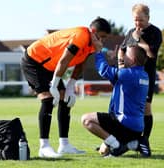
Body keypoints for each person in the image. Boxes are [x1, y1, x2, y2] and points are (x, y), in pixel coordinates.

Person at [21, 17, 111, 158]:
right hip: (34, 60)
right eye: (102, 37)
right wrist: (55, 86)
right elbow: (65, 60)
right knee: (48, 99)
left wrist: (70, 87)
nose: (103, 41)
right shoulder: (81, 35)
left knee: (65, 98)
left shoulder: (93, 44)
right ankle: (44, 147)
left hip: (51, 67)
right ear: (93, 32)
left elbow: (81, 64)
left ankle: (64, 145)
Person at [81, 38, 151, 157]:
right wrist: (117, 58)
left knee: (86, 119)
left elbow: (103, 70)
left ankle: (118, 145)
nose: (123, 58)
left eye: (126, 56)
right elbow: (119, 84)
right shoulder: (144, 75)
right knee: (103, 151)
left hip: (124, 125)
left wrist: (99, 52)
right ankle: (134, 143)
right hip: (136, 128)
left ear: (133, 60)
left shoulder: (127, 74)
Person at [120, 3, 162, 144]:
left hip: (146, 77)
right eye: (135, 20)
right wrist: (120, 64)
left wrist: (138, 39)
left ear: (148, 18)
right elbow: (122, 49)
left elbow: (151, 53)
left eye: (141, 20)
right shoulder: (131, 31)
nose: (138, 23)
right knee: (128, 108)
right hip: (130, 77)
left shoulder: (155, 32)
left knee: (145, 108)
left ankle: (145, 140)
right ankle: (127, 139)